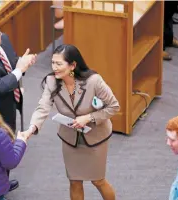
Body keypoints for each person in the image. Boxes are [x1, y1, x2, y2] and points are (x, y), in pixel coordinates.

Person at [21, 44, 120, 200]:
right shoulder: (51, 81)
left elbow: (114, 106)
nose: (55, 67)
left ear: (73, 65)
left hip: (95, 137)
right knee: (74, 181)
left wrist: (89, 118)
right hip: (70, 139)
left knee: (98, 180)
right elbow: (43, 107)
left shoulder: (94, 81)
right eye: (53, 63)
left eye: (59, 64)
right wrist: (31, 129)